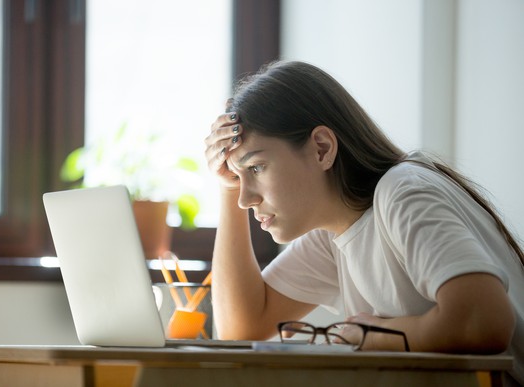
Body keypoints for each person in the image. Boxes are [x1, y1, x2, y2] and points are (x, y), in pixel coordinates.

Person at [204, 60, 524, 385]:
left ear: (321, 148)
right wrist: (226, 188)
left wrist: (370, 335)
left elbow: (483, 321)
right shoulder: (336, 233)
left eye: (256, 168)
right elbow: (239, 327)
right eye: (237, 177)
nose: (246, 199)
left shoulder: (402, 191)